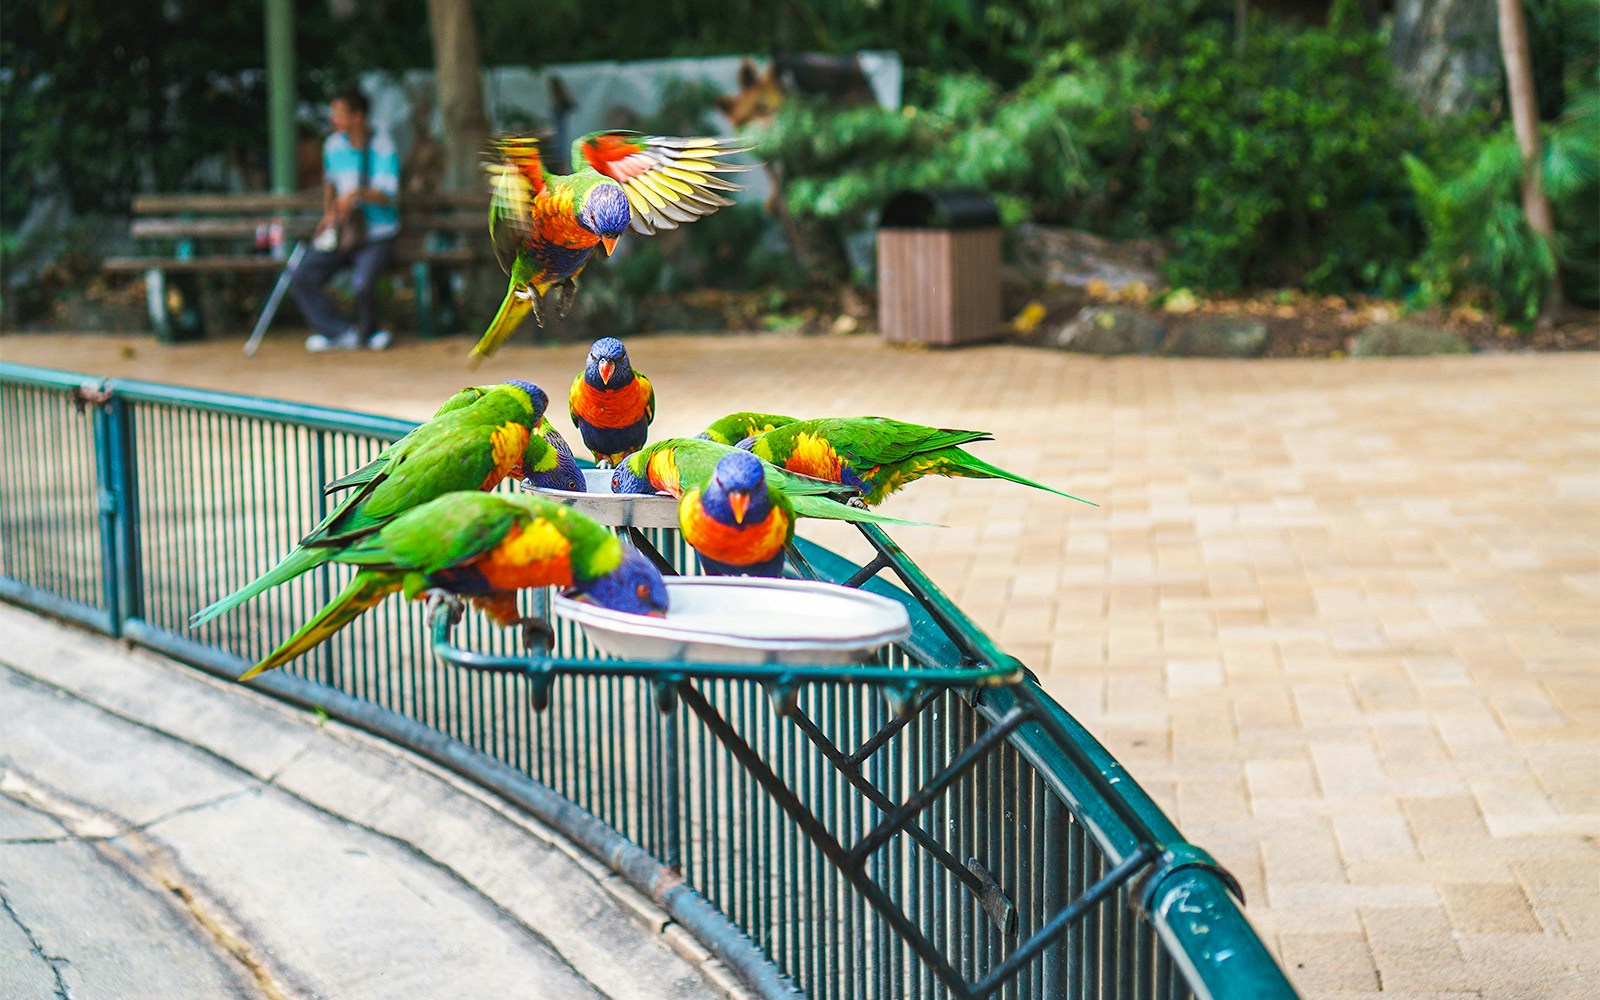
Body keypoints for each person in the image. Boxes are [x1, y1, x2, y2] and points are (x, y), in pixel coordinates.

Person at [291, 87, 401, 352]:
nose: (334, 118)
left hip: (377, 234)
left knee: (361, 283)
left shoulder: (382, 145)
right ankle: (338, 331)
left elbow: (389, 194)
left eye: (339, 113)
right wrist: (330, 214)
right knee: (301, 275)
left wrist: (356, 194)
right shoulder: (333, 145)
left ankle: (370, 332)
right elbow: (329, 184)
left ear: (358, 116)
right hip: (344, 233)